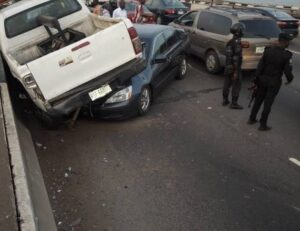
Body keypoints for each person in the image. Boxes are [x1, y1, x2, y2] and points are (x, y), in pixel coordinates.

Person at [248, 33, 294, 131]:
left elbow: (260, 66)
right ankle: (262, 124)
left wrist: (256, 79)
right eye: (288, 41)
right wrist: (290, 79)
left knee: (258, 100)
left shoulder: (268, 51)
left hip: (262, 80)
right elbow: (287, 71)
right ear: (284, 42)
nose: (289, 43)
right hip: (274, 82)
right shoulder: (286, 55)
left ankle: (251, 119)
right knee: (268, 103)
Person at [222, 22, 245, 109]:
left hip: (228, 66)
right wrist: (236, 71)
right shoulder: (237, 43)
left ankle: (225, 100)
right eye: (242, 30)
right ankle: (234, 103)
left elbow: (229, 55)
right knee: (237, 84)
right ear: (239, 32)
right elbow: (236, 58)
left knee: (227, 83)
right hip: (235, 67)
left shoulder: (230, 42)